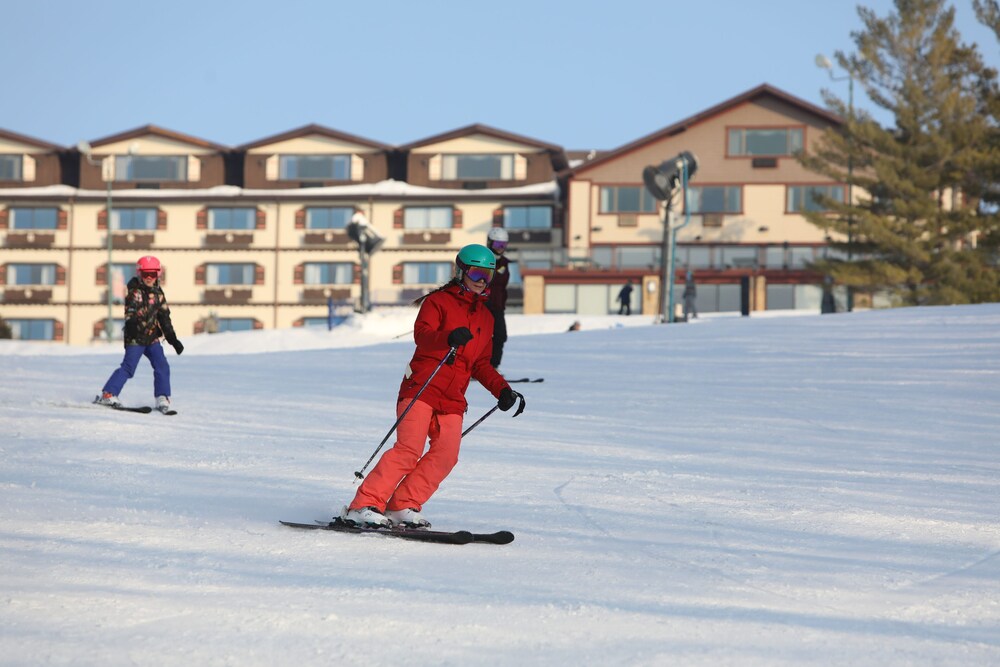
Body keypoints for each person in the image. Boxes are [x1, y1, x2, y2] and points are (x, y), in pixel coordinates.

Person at [341, 244, 523, 529]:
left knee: (447, 455)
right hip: (423, 385)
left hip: (452, 397)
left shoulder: (486, 318)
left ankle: (402, 505)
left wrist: (502, 389)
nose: (482, 280)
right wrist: (448, 337)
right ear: (461, 271)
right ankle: (364, 504)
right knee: (408, 450)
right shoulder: (438, 302)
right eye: (476, 272)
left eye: (487, 274)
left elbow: (481, 363)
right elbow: (422, 336)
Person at [95, 255, 184, 411]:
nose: (149, 278)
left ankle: (162, 396)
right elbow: (131, 312)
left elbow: (164, 318)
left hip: (151, 338)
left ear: (158, 275)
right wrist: (133, 326)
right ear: (139, 274)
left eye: (152, 274)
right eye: (145, 274)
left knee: (162, 365)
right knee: (129, 368)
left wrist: (173, 339)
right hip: (135, 337)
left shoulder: (158, 294)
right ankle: (108, 394)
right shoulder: (134, 291)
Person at [484, 227, 512, 368]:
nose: (500, 248)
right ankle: (475, 367)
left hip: (498, 306)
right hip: (482, 305)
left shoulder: (505, 263)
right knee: (481, 337)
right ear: (489, 243)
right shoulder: (482, 260)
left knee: (500, 336)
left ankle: (493, 366)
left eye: (503, 245)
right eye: (497, 245)